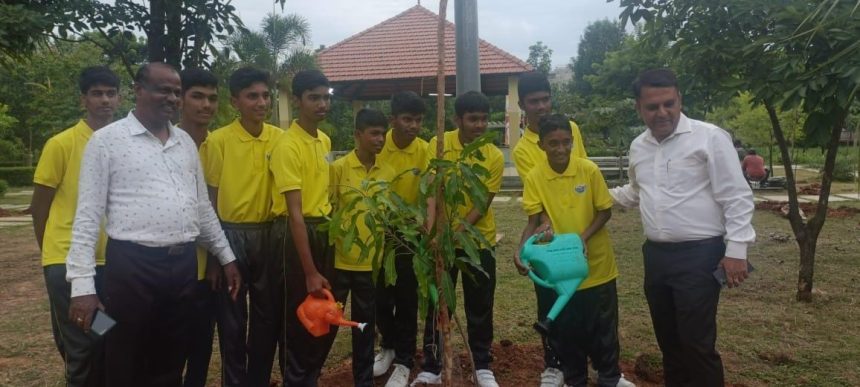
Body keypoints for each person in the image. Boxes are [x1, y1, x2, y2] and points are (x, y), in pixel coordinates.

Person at [65, 62, 242, 387]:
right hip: (133, 267)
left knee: (173, 353)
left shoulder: (185, 143)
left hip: (183, 267)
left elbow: (202, 208)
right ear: (138, 91)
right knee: (123, 351)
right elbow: (87, 217)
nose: (172, 98)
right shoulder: (107, 141)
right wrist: (82, 287)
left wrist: (226, 255)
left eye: (176, 91)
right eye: (164, 89)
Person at [610, 68, 756, 387]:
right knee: (669, 344)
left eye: (669, 103)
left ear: (680, 100)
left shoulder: (710, 137)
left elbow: (736, 195)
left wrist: (737, 250)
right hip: (657, 258)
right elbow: (636, 191)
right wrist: (596, 197)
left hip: (700, 257)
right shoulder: (639, 147)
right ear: (639, 107)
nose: (662, 112)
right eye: (652, 107)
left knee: (696, 344)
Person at [514, 114, 634, 387]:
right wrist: (519, 251)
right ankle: (575, 378)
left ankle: (610, 377)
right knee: (568, 330)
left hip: (597, 266)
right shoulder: (535, 177)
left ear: (573, 141)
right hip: (560, 271)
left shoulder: (588, 170)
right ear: (542, 145)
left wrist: (582, 238)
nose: (560, 149)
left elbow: (604, 211)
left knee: (603, 326)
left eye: (566, 142)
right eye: (553, 143)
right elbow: (533, 220)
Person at [30, 65, 119, 387]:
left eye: (110, 93)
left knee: (105, 334)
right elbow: (39, 207)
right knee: (81, 346)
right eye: (97, 94)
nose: (104, 100)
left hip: (111, 261)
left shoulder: (121, 143)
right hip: (69, 263)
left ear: (119, 98)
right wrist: (53, 257)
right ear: (83, 99)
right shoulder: (61, 144)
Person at [412, 91, 503, 387]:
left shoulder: (493, 156)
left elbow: (482, 203)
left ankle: (482, 364)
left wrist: (453, 235)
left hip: (477, 243)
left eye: (484, 119)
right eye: (473, 119)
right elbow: (430, 189)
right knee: (440, 306)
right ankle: (433, 365)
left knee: (480, 305)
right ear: (457, 119)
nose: (479, 125)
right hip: (440, 242)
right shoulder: (438, 144)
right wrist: (431, 229)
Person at [200, 66, 283, 386]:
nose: (261, 102)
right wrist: (214, 256)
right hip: (229, 237)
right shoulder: (218, 141)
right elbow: (208, 200)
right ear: (235, 101)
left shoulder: (280, 139)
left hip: (269, 235)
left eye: (265, 96)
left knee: (266, 319)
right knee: (232, 321)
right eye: (252, 96)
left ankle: (259, 380)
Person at [511, 70, 588, 387]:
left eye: (545, 99)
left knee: (585, 300)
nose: (541, 107)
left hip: (580, 229)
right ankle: (553, 365)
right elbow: (537, 192)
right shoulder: (523, 149)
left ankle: (593, 362)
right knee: (550, 298)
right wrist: (544, 226)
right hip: (547, 237)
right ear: (522, 104)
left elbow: (581, 170)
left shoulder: (571, 129)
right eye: (534, 102)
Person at [268, 69, 336, 386]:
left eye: (325, 97)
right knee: (298, 316)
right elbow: (295, 213)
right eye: (313, 98)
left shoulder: (324, 140)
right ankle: (296, 379)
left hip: (323, 230)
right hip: (294, 236)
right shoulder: (287, 146)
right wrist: (309, 270)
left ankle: (311, 375)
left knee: (326, 310)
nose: (321, 104)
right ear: (297, 101)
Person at [330, 108, 394, 387]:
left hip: (371, 264)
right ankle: (310, 374)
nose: (380, 139)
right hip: (340, 263)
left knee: (364, 326)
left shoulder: (387, 172)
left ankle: (363, 379)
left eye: (383, 134)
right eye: (374, 134)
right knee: (329, 322)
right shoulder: (339, 169)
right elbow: (328, 210)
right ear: (358, 135)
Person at [373, 91, 430, 387]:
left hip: (411, 237)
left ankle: (406, 360)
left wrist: (426, 227)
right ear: (393, 119)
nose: (413, 126)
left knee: (408, 299)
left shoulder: (426, 150)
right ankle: (388, 347)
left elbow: (432, 193)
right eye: (407, 119)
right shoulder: (379, 148)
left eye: (419, 120)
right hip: (380, 233)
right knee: (381, 297)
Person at [178, 67, 220, 387]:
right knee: (167, 346)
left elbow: (215, 207)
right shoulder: (163, 143)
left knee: (201, 345)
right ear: (180, 99)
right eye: (197, 96)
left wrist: (218, 260)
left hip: (207, 268)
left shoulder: (219, 146)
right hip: (164, 266)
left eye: (212, 99)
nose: (206, 105)